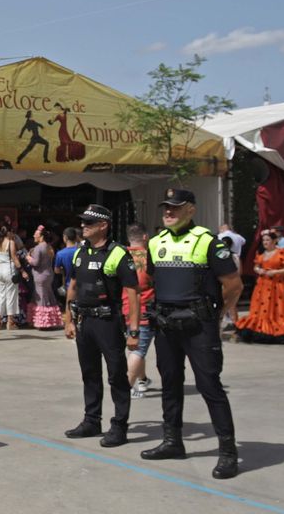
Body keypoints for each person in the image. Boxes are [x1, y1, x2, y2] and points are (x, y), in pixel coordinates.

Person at [140, 188, 243, 480]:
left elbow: (234, 284)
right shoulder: (156, 242)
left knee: (209, 386)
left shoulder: (209, 242)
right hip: (166, 325)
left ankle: (228, 453)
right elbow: (152, 279)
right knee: (170, 383)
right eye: (166, 208)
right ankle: (173, 441)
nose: (168, 212)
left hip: (199, 327)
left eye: (175, 207)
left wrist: (219, 313)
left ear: (191, 210)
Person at [62, 205, 140, 447]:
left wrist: (134, 330)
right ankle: (91, 420)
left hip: (108, 322)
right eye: (82, 222)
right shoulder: (80, 253)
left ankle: (119, 426)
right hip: (84, 321)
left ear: (103, 225)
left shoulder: (117, 253)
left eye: (88, 223)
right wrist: (68, 318)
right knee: (90, 373)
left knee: (117, 375)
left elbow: (133, 292)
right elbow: (72, 286)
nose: (83, 226)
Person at [123, 225, 155, 398]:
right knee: (138, 350)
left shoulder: (121, 255)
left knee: (136, 347)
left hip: (123, 308)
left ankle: (142, 379)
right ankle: (126, 387)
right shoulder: (148, 258)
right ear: (145, 237)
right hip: (143, 309)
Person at [26, 226, 61, 329]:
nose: (33, 236)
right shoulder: (48, 247)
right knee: (49, 296)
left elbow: (35, 263)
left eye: (35, 234)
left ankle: (43, 323)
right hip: (48, 274)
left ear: (41, 236)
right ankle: (51, 320)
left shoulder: (38, 248)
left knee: (41, 298)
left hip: (40, 275)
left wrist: (28, 258)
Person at [0, 224, 22, 329]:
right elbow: (14, 258)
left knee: (0, 296)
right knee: (11, 295)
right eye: (12, 232)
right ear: (9, 233)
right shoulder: (10, 242)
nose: (13, 234)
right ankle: (10, 322)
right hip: (9, 271)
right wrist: (22, 270)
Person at [54, 226, 80, 304]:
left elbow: (56, 270)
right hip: (82, 284)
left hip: (69, 285)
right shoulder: (81, 251)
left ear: (65, 237)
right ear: (76, 237)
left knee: (70, 307)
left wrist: (63, 271)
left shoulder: (60, 254)